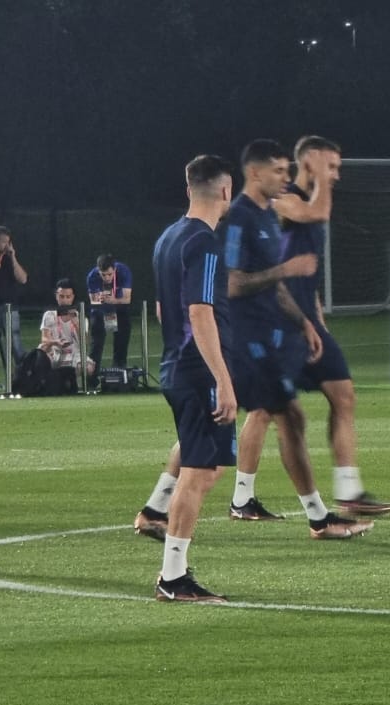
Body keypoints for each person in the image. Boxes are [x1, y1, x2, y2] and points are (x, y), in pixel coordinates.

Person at [230, 135, 390, 517]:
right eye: (330, 166)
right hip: (276, 323)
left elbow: (310, 274)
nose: (335, 175)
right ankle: (242, 496)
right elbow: (316, 213)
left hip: (306, 323)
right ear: (308, 164)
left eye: (336, 169)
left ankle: (349, 490)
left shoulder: (306, 201)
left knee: (344, 395)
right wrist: (320, 178)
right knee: (264, 411)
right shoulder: (282, 199)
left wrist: (318, 322)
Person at [150, 153, 239, 602]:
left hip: (175, 363)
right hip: (197, 368)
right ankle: (173, 576)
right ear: (226, 191)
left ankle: (156, 512)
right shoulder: (204, 243)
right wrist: (222, 377)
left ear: (189, 189)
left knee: (210, 463)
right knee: (200, 471)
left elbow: (166, 309)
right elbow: (198, 311)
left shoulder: (168, 238)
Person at [0, 225, 29, 389]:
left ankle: (24, 381)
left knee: (15, 344)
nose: (4, 245)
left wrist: (13, 257)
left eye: (7, 242)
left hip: (9, 308)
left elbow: (23, 279)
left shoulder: (9, 258)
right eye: (0, 241)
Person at [38, 278, 95, 379]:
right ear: (56, 296)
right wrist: (56, 342)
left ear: (72, 297)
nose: (64, 300)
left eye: (68, 297)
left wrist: (76, 322)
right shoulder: (49, 314)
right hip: (55, 353)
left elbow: (85, 342)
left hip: (74, 354)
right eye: (61, 296)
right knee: (39, 356)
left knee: (88, 368)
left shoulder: (80, 317)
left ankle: (68, 380)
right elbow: (44, 339)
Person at [87, 253, 133, 370]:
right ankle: (93, 374)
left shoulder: (123, 271)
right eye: (103, 275)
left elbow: (127, 299)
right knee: (96, 342)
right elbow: (93, 300)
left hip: (119, 307)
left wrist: (114, 300)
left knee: (122, 338)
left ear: (115, 269)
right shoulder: (92, 276)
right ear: (98, 270)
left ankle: (119, 369)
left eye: (110, 274)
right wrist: (100, 299)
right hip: (101, 309)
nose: (107, 278)